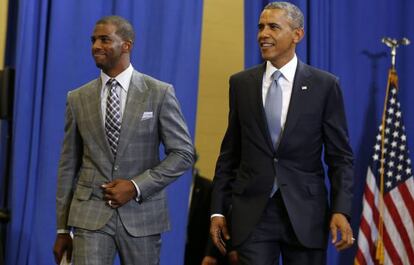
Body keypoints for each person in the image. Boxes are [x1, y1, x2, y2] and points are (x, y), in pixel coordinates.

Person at [209, 2, 355, 265]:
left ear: (297, 35)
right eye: (261, 27)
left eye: (273, 27)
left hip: (305, 214)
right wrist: (217, 211)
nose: (263, 34)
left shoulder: (325, 85)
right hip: (253, 214)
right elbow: (230, 154)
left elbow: (340, 157)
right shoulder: (241, 84)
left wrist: (341, 209)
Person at [53, 15, 194, 265]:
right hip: (90, 215)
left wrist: (136, 185)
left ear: (126, 45)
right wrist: (63, 229)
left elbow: (183, 154)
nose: (96, 46)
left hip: (142, 215)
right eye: (93, 40)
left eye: (105, 39)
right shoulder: (77, 98)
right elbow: (68, 165)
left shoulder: (159, 93)